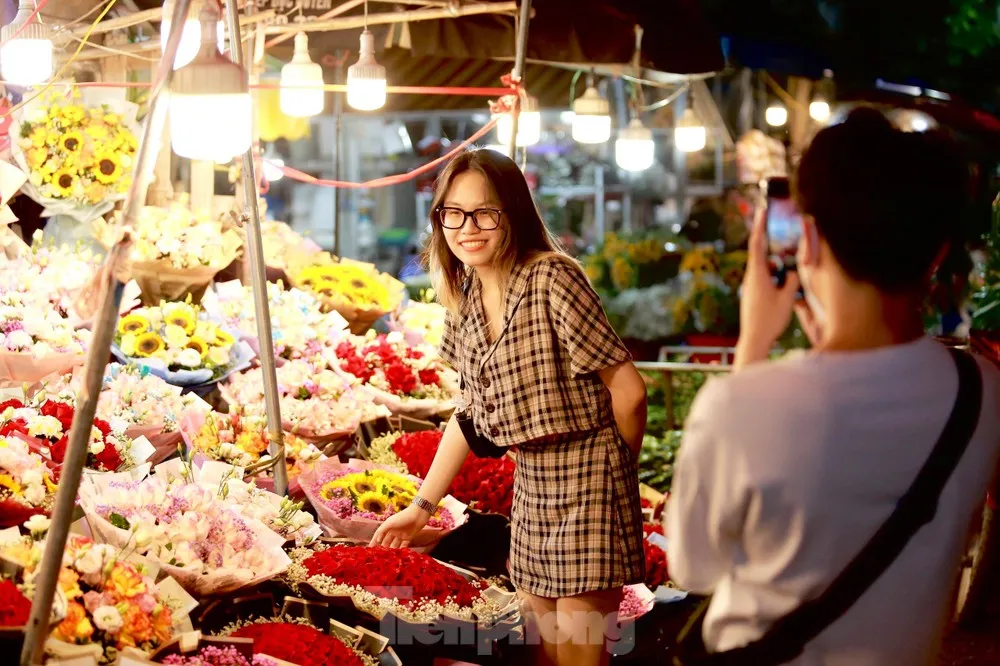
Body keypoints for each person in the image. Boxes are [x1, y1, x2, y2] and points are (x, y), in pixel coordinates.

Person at [666, 108, 1000, 665]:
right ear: (939, 253)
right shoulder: (983, 391)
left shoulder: (742, 403)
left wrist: (752, 346)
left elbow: (693, 565)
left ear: (808, 238)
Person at [371, 148, 648, 666]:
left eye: (484, 213)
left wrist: (616, 478)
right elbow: (469, 413)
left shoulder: (552, 278)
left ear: (512, 213)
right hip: (533, 487)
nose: (466, 227)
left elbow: (629, 392)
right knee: (542, 652)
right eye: (452, 213)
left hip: (588, 475)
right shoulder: (467, 296)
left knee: (581, 654)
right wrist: (420, 508)